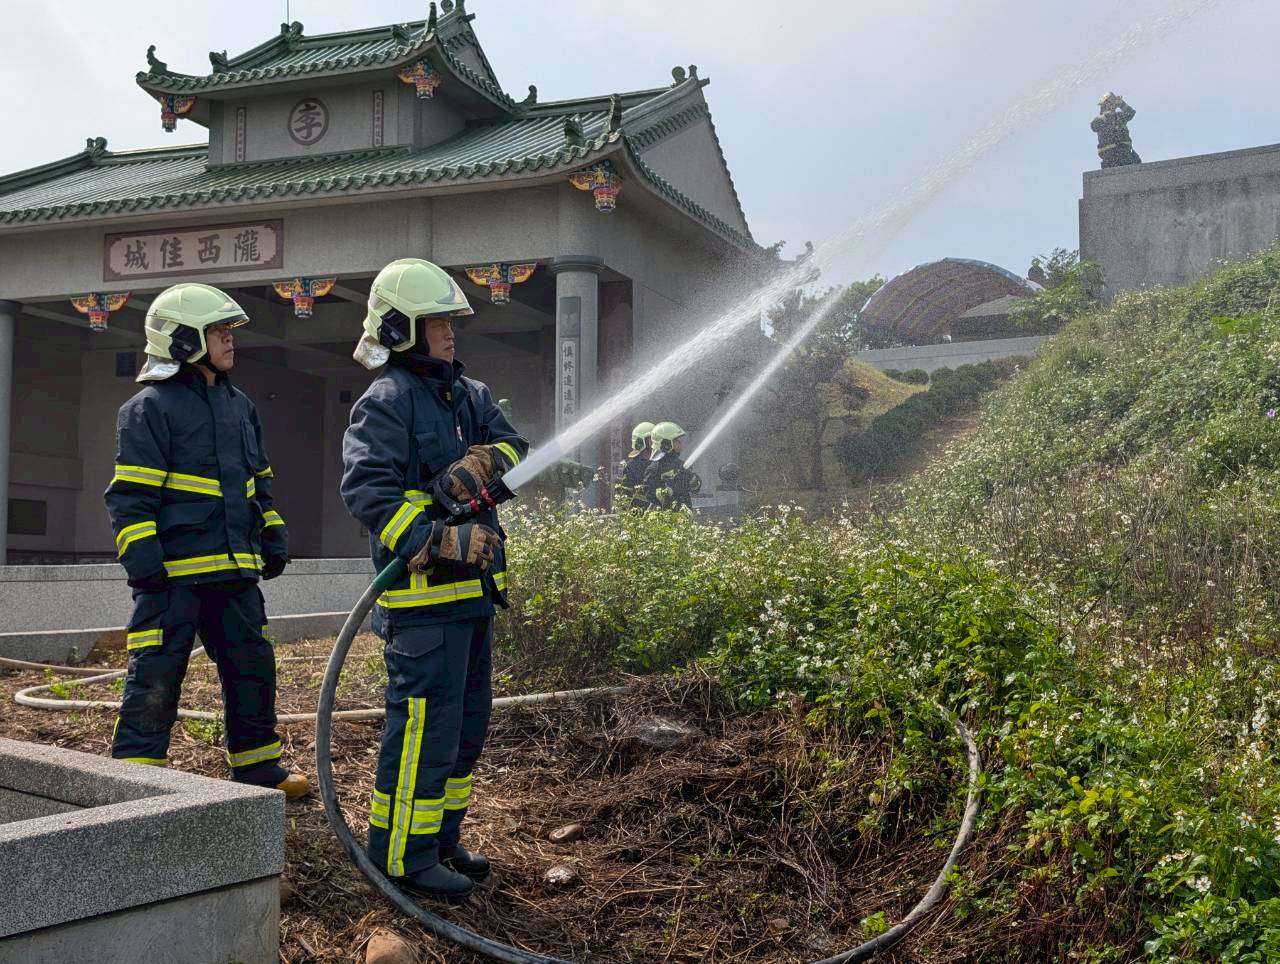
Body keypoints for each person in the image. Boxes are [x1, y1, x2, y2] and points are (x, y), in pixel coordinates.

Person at [342, 258, 528, 900]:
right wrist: (442, 537)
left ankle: (440, 842)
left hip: (472, 600)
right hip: (421, 605)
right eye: (439, 321)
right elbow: (367, 491)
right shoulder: (386, 402)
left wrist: (483, 462)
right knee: (422, 729)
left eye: (453, 321)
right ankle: (400, 855)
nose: (452, 332)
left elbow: (516, 449)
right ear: (403, 329)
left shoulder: (468, 395)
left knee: (465, 728)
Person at [105, 283, 305, 797]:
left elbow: (258, 482)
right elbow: (131, 497)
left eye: (228, 332)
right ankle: (136, 781)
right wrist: (144, 562)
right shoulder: (147, 408)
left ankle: (258, 770)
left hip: (235, 573)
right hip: (172, 579)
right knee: (155, 675)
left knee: (253, 669)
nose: (229, 341)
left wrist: (273, 531)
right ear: (182, 339)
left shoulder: (239, 406)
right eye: (217, 331)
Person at [644, 421, 702, 511]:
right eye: (676, 441)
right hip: (664, 519)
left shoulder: (682, 465)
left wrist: (693, 480)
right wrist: (670, 488)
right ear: (666, 444)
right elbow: (650, 495)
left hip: (684, 517)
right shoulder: (654, 469)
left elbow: (695, 489)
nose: (680, 443)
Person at [1092, 93, 1141, 169]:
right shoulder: (1099, 119)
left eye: (1113, 101)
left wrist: (1121, 104)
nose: (1112, 103)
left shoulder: (1119, 116)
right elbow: (1094, 126)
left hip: (1125, 153)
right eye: (1110, 101)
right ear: (1105, 104)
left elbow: (1131, 113)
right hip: (1110, 156)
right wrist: (1108, 115)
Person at [613, 421, 655, 510]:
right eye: (652, 439)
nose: (655, 442)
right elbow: (623, 499)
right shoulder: (630, 468)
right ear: (641, 442)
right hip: (638, 518)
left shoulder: (659, 464)